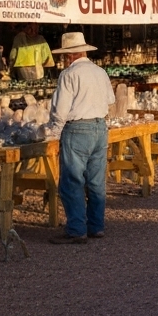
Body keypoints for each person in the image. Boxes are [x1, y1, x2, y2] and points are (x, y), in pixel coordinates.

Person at [45, 32, 112, 244]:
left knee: (72, 181)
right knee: (95, 181)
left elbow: (61, 110)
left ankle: (76, 229)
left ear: (70, 55)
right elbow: (110, 100)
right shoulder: (100, 72)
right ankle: (96, 226)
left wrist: (55, 130)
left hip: (78, 128)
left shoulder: (69, 74)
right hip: (99, 126)